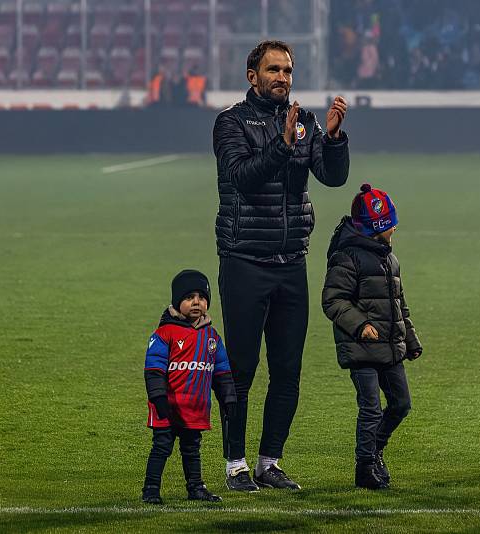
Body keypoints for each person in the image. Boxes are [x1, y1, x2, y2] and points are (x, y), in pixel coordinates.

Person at [212, 39, 350, 491]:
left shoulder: (304, 121)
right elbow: (245, 179)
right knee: (244, 369)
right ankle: (235, 464)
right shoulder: (230, 123)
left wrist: (332, 139)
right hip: (244, 261)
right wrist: (283, 145)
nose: (282, 78)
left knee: (288, 370)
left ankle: (269, 462)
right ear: (252, 76)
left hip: (291, 262)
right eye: (273, 70)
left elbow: (333, 177)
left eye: (288, 71)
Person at [321, 184, 422, 489]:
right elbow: (333, 300)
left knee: (401, 404)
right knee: (370, 407)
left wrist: (411, 340)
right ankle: (365, 467)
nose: (394, 229)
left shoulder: (389, 259)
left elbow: (398, 304)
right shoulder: (347, 257)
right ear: (377, 227)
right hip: (361, 347)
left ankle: (375, 449)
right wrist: (360, 325)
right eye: (390, 224)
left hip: (391, 347)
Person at [141, 270, 236, 505]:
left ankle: (195, 487)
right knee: (162, 447)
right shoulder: (165, 334)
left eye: (202, 297)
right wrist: (158, 399)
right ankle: (151, 489)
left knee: (192, 449)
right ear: (177, 302)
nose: (196, 302)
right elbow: (154, 370)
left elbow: (222, 372)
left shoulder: (212, 337)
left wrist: (229, 399)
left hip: (195, 409)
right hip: (168, 407)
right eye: (189, 297)